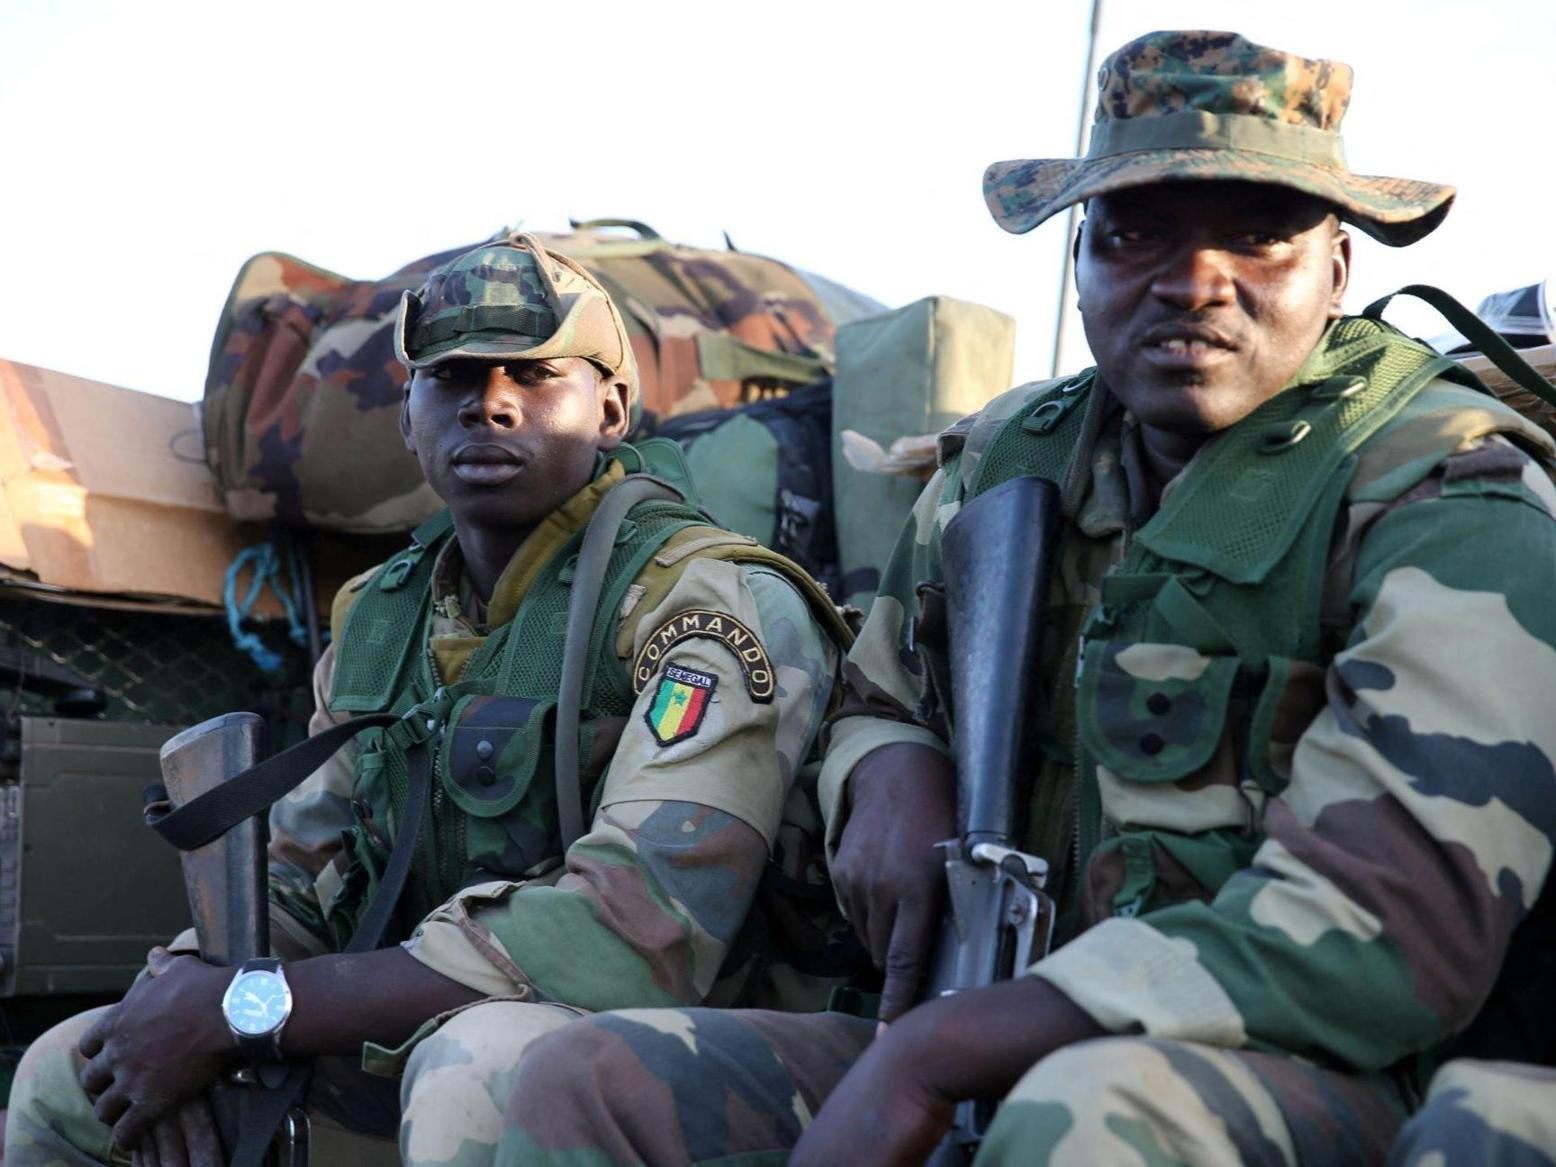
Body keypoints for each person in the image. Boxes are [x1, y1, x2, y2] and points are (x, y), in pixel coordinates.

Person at [478, 30, 1556, 1167]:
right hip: (986, 1028)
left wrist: (947, 1051)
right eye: (1134, 233)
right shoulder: (1012, 458)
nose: (1194, 282)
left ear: (1337, 269)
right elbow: (877, 692)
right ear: (1078, 259)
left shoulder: (1444, 492)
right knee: (589, 1082)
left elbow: (1389, 926)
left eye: (1256, 235)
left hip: (1332, 1081)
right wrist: (888, 768)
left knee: (1085, 1110)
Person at [4, 233, 857, 1167]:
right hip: (447, 1016)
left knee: (474, 1067)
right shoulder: (381, 616)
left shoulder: (707, 603)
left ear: (612, 409)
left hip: (704, 1046)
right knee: (75, 1072)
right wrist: (180, 995)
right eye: (451, 376)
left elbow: (630, 935)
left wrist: (251, 1010)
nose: (490, 401)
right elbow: (304, 878)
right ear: (408, 416)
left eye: (535, 374)